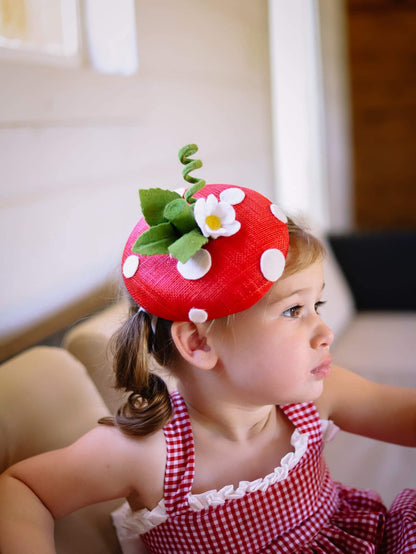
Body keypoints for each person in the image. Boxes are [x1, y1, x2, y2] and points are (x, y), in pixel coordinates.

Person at [0, 144, 415, 554]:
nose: (324, 331)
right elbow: (23, 488)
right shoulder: (146, 454)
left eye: (316, 306)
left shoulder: (321, 395)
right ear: (198, 343)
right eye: (293, 311)